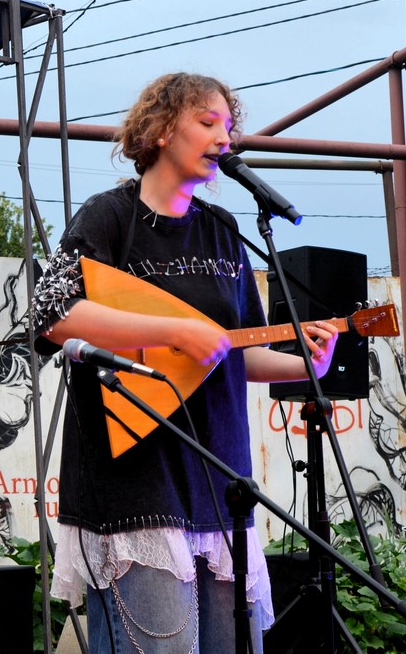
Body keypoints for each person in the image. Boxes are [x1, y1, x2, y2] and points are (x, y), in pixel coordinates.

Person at [31, 73, 339, 653]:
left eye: (229, 126)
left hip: (217, 480)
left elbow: (234, 353)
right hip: (134, 487)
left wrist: (308, 367)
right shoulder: (109, 217)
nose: (224, 137)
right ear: (162, 130)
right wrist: (173, 329)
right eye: (207, 122)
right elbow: (53, 315)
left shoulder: (223, 229)